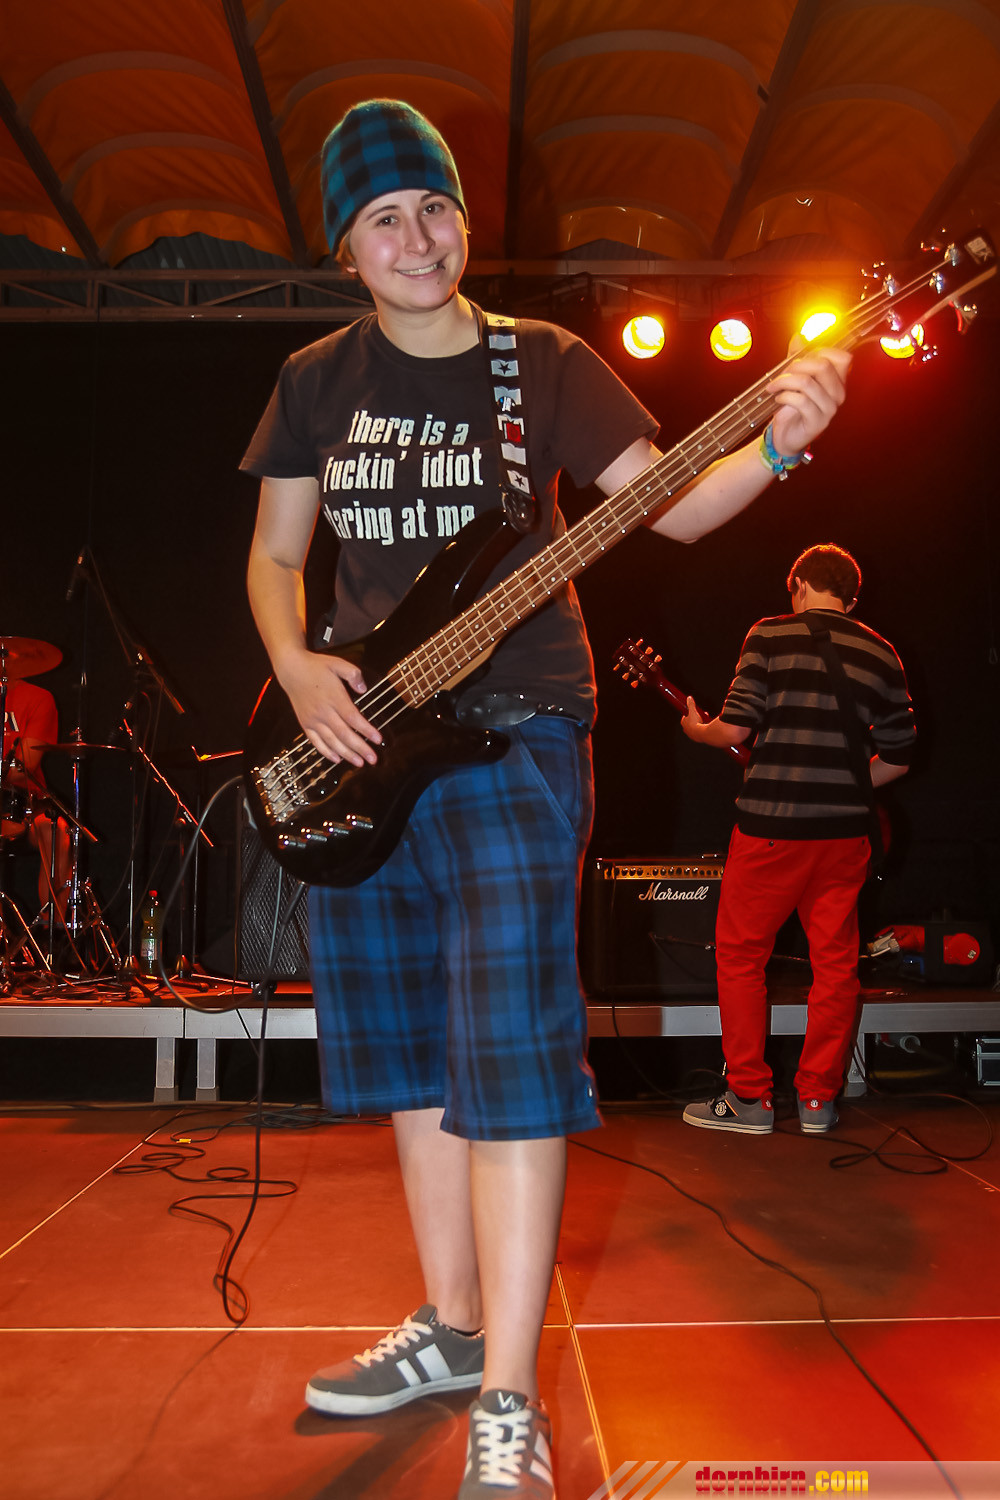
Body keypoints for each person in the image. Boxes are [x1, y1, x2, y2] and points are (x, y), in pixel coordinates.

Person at [241, 98, 851, 1500]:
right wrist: (297, 664)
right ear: (346, 246)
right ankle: (450, 1331)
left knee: (510, 1056)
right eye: (385, 217)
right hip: (364, 749)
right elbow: (275, 557)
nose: (417, 238)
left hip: (518, 737)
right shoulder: (313, 380)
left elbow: (671, 506)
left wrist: (779, 444)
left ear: (464, 220)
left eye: (436, 208)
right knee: (409, 1058)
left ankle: (507, 1398)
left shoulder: (544, 365)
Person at [680, 544, 916, 1138]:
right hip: (844, 839)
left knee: (741, 958)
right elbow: (899, 758)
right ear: (850, 599)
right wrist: (845, 782)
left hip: (771, 831)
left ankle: (750, 1099)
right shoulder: (882, 651)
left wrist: (699, 731)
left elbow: (735, 727)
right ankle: (817, 1101)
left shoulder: (770, 634)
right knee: (836, 967)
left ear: (800, 585)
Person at [2, 676, 71, 929]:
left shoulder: (38, 698)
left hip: (23, 802)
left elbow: (24, 766)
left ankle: (53, 931)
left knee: (57, 831)